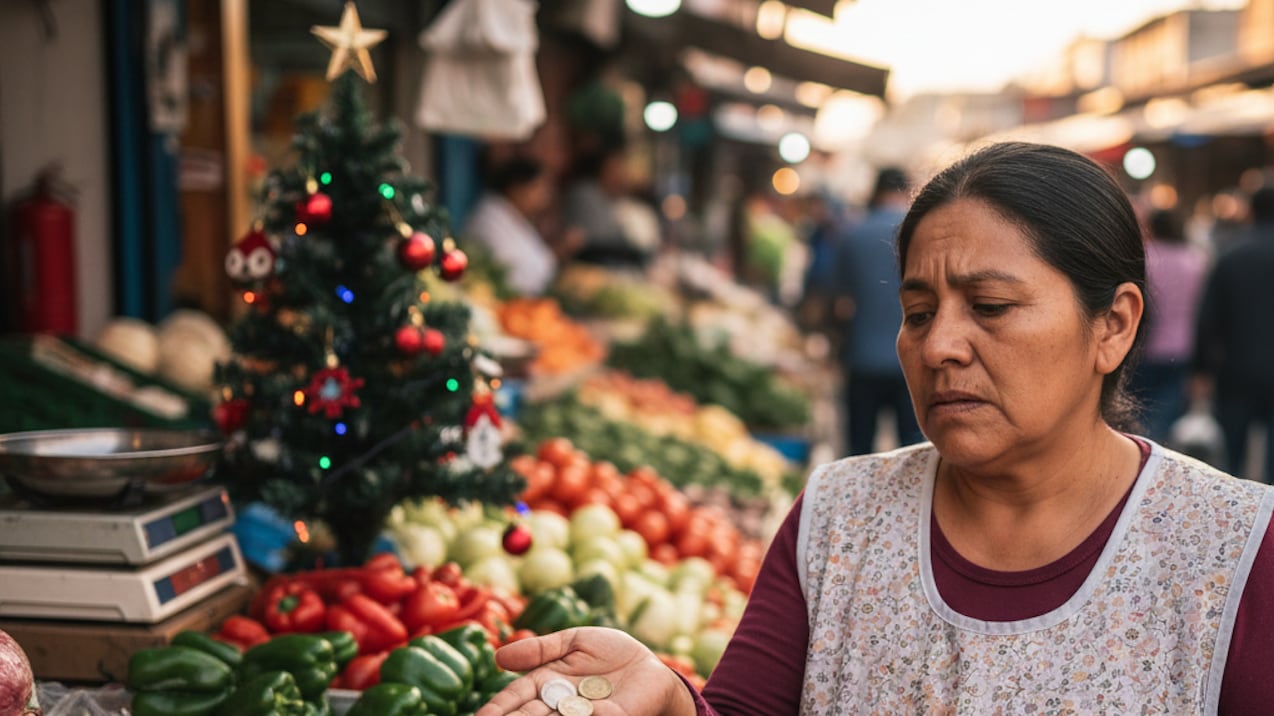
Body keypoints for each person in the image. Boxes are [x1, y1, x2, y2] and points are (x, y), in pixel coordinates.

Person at [475, 143, 1274, 715]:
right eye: (918, 313)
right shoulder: (841, 515)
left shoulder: (1233, 550)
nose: (939, 345)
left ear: (1114, 325)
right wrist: (673, 705)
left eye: (989, 308)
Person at [834, 166, 924, 455]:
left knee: (859, 448)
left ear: (876, 190)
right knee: (914, 451)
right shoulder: (921, 234)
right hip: (914, 360)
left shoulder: (853, 233)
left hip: (862, 356)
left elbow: (838, 300)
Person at [1192, 185, 1274, 483]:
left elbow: (1208, 318)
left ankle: (1234, 524)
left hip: (1236, 370)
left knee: (1232, 467)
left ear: (1251, 210)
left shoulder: (1232, 255)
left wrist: (1200, 369)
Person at [1131, 208, 1209, 443]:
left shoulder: (1144, 258)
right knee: (1171, 411)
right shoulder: (1196, 260)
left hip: (1144, 347)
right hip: (1183, 346)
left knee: (1140, 409)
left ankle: (1142, 455)